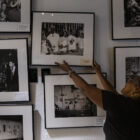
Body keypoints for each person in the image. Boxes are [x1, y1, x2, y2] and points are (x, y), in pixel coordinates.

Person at [55, 60, 140, 140]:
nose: (127, 82)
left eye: (131, 80)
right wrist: (99, 73)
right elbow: (113, 95)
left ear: (136, 89)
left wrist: (69, 71)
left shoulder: (122, 105)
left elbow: (85, 88)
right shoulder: (129, 105)